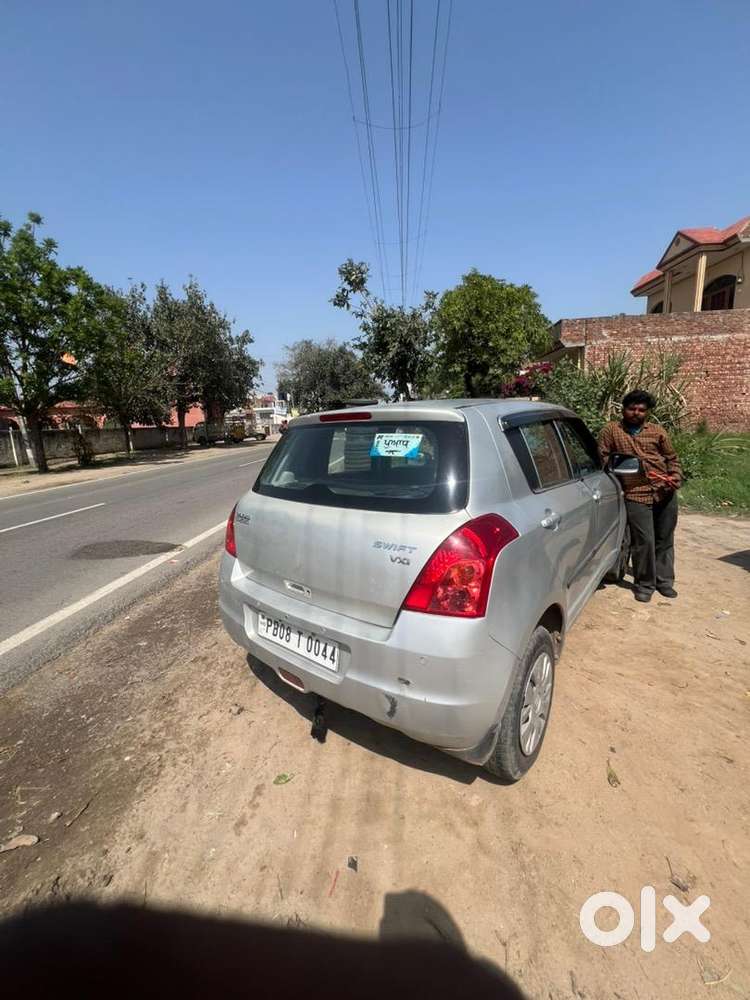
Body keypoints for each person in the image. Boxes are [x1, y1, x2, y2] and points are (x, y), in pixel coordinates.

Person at [598, 389, 682, 603]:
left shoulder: (657, 432)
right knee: (643, 540)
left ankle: (664, 581)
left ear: (647, 412)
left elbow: (672, 458)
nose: (636, 412)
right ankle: (645, 584)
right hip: (636, 492)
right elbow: (603, 458)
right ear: (624, 409)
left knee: (665, 538)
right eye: (631, 408)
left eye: (641, 410)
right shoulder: (611, 431)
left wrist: (674, 477)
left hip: (664, 490)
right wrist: (622, 469)